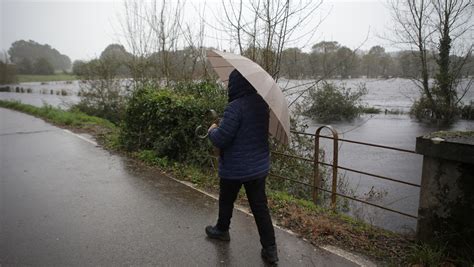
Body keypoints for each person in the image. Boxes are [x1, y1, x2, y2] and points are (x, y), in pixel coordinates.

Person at [205, 69, 278, 264]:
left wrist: (212, 131)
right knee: (260, 207)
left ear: (235, 85)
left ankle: (222, 230)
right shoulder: (262, 104)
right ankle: (270, 249)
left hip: (235, 168)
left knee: (226, 200)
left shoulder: (234, 107)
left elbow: (222, 139)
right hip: (258, 167)